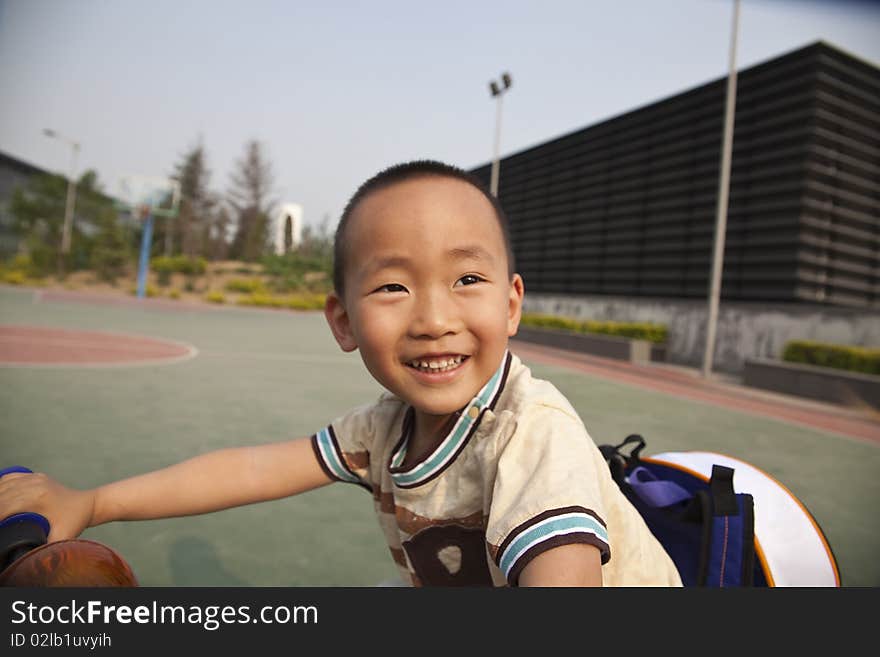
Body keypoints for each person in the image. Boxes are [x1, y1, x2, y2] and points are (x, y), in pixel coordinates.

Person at [0, 160, 682, 587]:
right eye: (393, 287)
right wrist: (91, 502)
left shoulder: (533, 435)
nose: (434, 317)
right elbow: (251, 469)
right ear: (343, 321)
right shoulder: (381, 431)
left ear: (510, 306)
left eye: (467, 278)